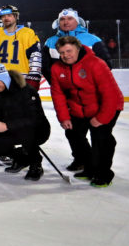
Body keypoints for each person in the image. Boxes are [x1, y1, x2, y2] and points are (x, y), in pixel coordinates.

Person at [49, 36, 123, 187]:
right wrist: (64, 117)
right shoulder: (56, 68)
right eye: (62, 52)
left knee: (101, 138)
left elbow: (110, 95)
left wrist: (101, 118)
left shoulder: (96, 64)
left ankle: (104, 173)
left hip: (107, 106)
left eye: (69, 51)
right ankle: (90, 167)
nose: (65, 55)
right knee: (73, 133)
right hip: (79, 108)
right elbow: (58, 94)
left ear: (78, 49)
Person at [0, 64, 50, 181]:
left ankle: (35, 164)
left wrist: (7, 126)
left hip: (37, 130)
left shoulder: (27, 91)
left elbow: (35, 119)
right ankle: (22, 158)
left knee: (27, 131)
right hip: (12, 129)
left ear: (4, 78)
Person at [42, 8, 111, 83]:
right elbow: (44, 66)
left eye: (70, 18)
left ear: (77, 21)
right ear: (58, 22)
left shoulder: (93, 40)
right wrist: (56, 83)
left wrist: (89, 82)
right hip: (61, 88)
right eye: (62, 19)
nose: (66, 22)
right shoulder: (50, 42)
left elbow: (106, 65)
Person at [0, 5, 42, 90]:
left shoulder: (28, 33)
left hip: (20, 81)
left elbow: (35, 58)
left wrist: (33, 77)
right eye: (3, 16)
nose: (6, 18)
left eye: (9, 15)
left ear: (16, 16)